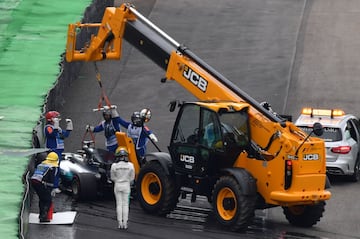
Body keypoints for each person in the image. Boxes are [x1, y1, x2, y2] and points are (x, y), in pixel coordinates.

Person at [44, 111, 73, 192]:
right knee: (54, 168)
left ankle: (55, 185)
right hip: (52, 151)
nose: (57, 119)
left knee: (57, 168)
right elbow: (52, 134)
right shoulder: (48, 127)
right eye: (55, 117)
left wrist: (69, 127)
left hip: (59, 150)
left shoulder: (57, 128)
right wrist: (56, 127)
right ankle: (53, 186)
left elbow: (65, 135)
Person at [110, 147, 135, 229]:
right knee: (125, 205)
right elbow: (132, 177)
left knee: (119, 205)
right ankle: (125, 223)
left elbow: (112, 177)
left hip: (117, 185)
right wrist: (127, 180)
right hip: (126, 185)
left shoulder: (114, 166)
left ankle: (119, 223)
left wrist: (118, 180)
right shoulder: (131, 165)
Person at [30, 152, 59, 222]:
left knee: (42, 198)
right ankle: (44, 216)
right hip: (41, 183)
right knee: (48, 200)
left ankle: (41, 214)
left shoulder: (41, 164)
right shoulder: (52, 167)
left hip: (34, 181)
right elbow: (50, 180)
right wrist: (52, 189)